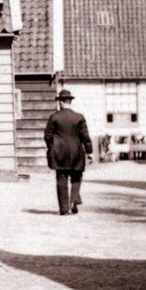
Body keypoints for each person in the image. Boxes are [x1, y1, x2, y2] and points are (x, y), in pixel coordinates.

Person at [44, 88, 93, 216]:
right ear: (70, 101)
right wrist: (89, 152)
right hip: (77, 152)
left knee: (62, 180)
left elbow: (48, 136)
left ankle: (64, 209)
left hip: (59, 153)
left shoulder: (54, 117)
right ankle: (73, 200)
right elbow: (85, 136)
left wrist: (51, 147)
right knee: (77, 178)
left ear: (60, 102)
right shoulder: (79, 117)